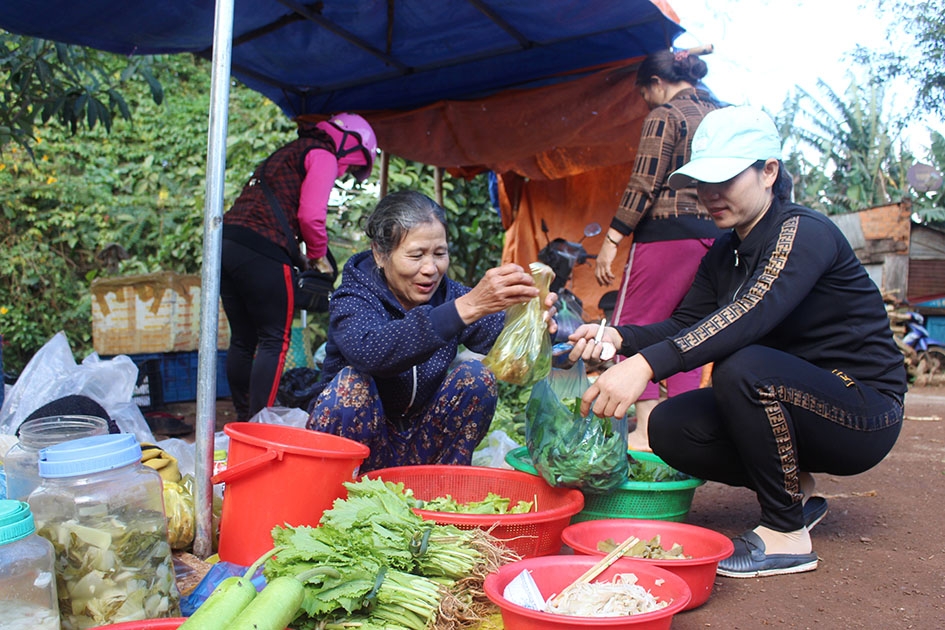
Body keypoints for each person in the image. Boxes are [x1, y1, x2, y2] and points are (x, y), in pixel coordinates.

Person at [568, 106, 907, 578]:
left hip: (862, 410)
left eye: (725, 178)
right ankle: (797, 493)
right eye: (703, 182)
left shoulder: (803, 232)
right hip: (793, 400)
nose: (710, 195)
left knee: (744, 366)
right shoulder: (726, 250)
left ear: (769, 171)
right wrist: (619, 337)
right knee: (670, 425)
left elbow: (748, 315)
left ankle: (786, 535)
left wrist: (644, 366)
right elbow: (687, 323)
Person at [306, 190, 557, 473]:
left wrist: (535, 323)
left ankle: (441, 487)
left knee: (476, 378)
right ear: (380, 253)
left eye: (440, 253)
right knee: (353, 385)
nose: (430, 269)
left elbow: (501, 337)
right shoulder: (353, 298)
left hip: (418, 446)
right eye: (416, 255)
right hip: (358, 450)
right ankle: (332, 491)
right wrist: (467, 307)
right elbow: (370, 352)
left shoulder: (448, 295)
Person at [594, 48, 725, 452]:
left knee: (635, 322)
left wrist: (613, 239)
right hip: (718, 236)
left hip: (668, 235)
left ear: (656, 83)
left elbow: (645, 182)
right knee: (694, 327)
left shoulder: (665, 114)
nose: (646, 102)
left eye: (643, 93)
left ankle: (647, 428)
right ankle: (678, 425)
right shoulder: (724, 115)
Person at [220, 113, 377, 422]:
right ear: (349, 144)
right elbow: (310, 216)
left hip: (226, 243)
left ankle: (241, 416)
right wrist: (318, 256)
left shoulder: (289, 151)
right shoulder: (323, 155)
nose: (346, 171)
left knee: (242, 339)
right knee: (273, 339)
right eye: (353, 165)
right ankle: (257, 425)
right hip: (263, 249)